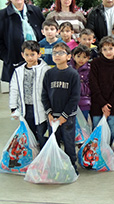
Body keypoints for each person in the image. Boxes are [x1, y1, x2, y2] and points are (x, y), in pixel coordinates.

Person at [0, 0, 44, 82]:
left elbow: (44, 33)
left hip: (38, 61)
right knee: (19, 95)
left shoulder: (35, 11)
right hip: (16, 63)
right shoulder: (2, 15)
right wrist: (8, 58)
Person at [42, 42, 81, 173]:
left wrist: (64, 115)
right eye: (54, 53)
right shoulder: (49, 73)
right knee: (54, 142)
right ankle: (56, 167)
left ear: (69, 56)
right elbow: (44, 95)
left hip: (67, 117)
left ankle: (71, 168)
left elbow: (74, 98)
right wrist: (49, 113)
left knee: (69, 143)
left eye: (61, 53)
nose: (57, 55)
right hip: (53, 117)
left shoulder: (73, 74)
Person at [9, 41, 50, 149]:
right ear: (22, 55)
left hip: (41, 108)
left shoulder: (45, 70)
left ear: (39, 54)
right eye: (26, 55)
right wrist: (13, 107)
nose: (29, 57)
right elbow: (14, 89)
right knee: (29, 133)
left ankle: (43, 156)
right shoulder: (18, 71)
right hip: (25, 107)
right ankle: (33, 155)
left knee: (42, 133)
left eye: (32, 54)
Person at [89, 36, 114, 141]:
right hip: (97, 101)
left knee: (113, 126)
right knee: (97, 125)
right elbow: (93, 84)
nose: (108, 52)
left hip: (112, 103)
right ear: (100, 50)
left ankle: (112, 150)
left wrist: (108, 105)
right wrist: (102, 103)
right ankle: (98, 150)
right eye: (105, 49)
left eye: (110, 49)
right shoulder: (95, 64)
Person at [69, 45, 91, 120]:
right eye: (78, 56)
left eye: (84, 57)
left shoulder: (89, 70)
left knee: (83, 128)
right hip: (69, 103)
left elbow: (89, 88)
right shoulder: (68, 68)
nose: (81, 59)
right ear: (73, 56)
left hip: (84, 103)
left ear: (88, 58)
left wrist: (77, 83)